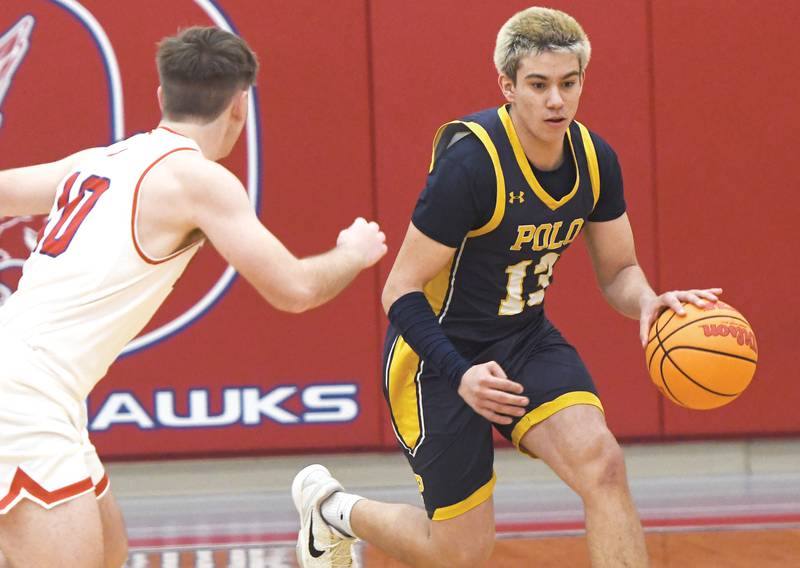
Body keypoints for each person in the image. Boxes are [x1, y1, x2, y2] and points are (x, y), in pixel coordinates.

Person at [293, 6, 721, 567]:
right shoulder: (471, 165)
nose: (556, 101)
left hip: (523, 339)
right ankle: (332, 510)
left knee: (604, 466)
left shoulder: (595, 161)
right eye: (539, 85)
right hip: (438, 357)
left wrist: (648, 300)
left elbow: (619, 272)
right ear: (508, 86)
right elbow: (398, 291)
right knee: (462, 552)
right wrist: (460, 371)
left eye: (569, 84)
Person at [0, 26, 387, 568]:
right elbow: (295, 290)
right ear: (240, 106)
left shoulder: (97, 161)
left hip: (41, 390)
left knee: (110, 554)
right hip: (23, 394)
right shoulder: (199, 181)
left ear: (161, 96)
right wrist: (354, 251)